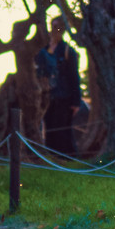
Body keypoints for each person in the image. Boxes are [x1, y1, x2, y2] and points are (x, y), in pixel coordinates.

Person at [34, 18, 83, 155]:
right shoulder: (42, 50)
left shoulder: (68, 51)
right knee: (49, 127)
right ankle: (52, 157)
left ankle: (67, 159)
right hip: (47, 96)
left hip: (64, 97)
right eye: (54, 27)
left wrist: (76, 101)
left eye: (59, 27)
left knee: (62, 129)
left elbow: (74, 77)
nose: (55, 30)